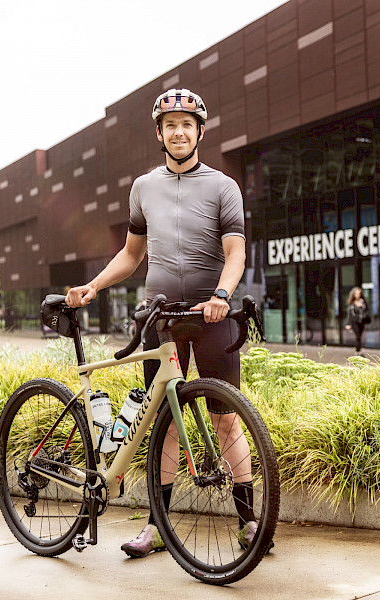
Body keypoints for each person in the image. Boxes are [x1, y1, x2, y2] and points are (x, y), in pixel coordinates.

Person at [65, 88, 260, 558]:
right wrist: (93, 286)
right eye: (170, 124)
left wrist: (221, 295)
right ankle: (156, 527)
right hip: (160, 316)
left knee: (226, 419)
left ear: (200, 131)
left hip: (210, 313)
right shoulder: (143, 187)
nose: (179, 131)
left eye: (187, 124)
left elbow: (235, 250)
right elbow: (132, 255)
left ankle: (249, 520)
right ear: (159, 133)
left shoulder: (221, 186)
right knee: (164, 421)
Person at [344, 286, 370, 355]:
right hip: (354, 322)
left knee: (360, 336)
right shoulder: (351, 303)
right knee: (358, 336)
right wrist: (348, 324)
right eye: (357, 294)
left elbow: (367, 310)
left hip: (362, 321)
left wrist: (365, 316)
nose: (358, 295)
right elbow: (349, 314)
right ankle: (358, 351)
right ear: (354, 294)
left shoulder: (363, 302)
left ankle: (358, 350)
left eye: (359, 293)